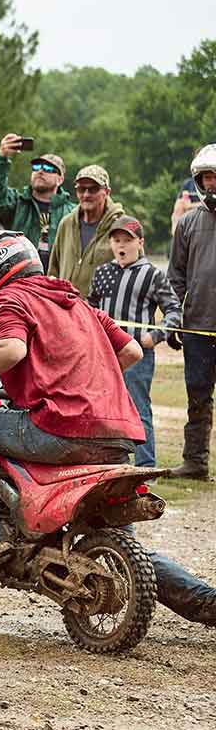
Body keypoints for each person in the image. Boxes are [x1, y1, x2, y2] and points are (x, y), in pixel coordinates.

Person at [0, 230, 144, 574]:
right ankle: (200, 598)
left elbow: (12, 349)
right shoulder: (75, 301)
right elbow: (131, 351)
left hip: (60, 430)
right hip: (117, 436)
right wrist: (84, 382)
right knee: (128, 551)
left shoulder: (7, 300)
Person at [88, 216, 180, 469]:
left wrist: (158, 335)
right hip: (105, 354)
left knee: (138, 409)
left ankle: (145, 466)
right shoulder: (102, 272)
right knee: (102, 409)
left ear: (140, 242)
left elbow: (173, 310)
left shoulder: (152, 275)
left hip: (138, 353)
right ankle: (108, 465)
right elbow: (90, 308)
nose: (121, 245)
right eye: (116, 240)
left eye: (127, 240)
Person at [169, 144, 216, 480]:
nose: (212, 183)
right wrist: (175, 319)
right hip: (198, 328)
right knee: (197, 396)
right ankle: (195, 462)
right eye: (207, 178)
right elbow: (176, 278)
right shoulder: (187, 224)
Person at [0, 135, 74, 272]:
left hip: (56, 285)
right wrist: (2, 157)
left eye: (48, 169)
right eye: (36, 167)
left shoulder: (72, 212)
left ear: (60, 179)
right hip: (20, 282)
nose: (40, 171)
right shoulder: (17, 204)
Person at [47, 165, 125, 298]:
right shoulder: (66, 224)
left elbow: (136, 273)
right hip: (66, 311)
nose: (86, 194)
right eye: (81, 189)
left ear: (107, 192)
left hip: (102, 314)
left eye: (93, 189)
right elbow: (53, 272)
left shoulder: (122, 227)